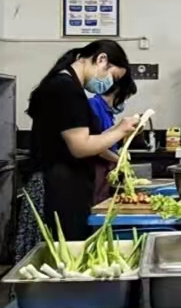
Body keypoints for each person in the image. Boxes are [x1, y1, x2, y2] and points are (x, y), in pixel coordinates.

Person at [27, 40, 137, 240]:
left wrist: (119, 129)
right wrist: (121, 130)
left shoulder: (66, 86)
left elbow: (90, 139)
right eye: (113, 77)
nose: (109, 84)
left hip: (65, 185)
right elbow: (80, 147)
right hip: (58, 188)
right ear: (101, 59)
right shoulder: (66, 89)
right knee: (65, 249)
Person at [88, 72, 138, 203]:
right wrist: (120, 161)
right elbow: (96, 145)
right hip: (94, 169)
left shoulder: (107, 112)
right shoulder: (93, 106)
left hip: (105, 168)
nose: (124, 102)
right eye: (126, 98)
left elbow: (106, 137)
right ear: (119, 92)